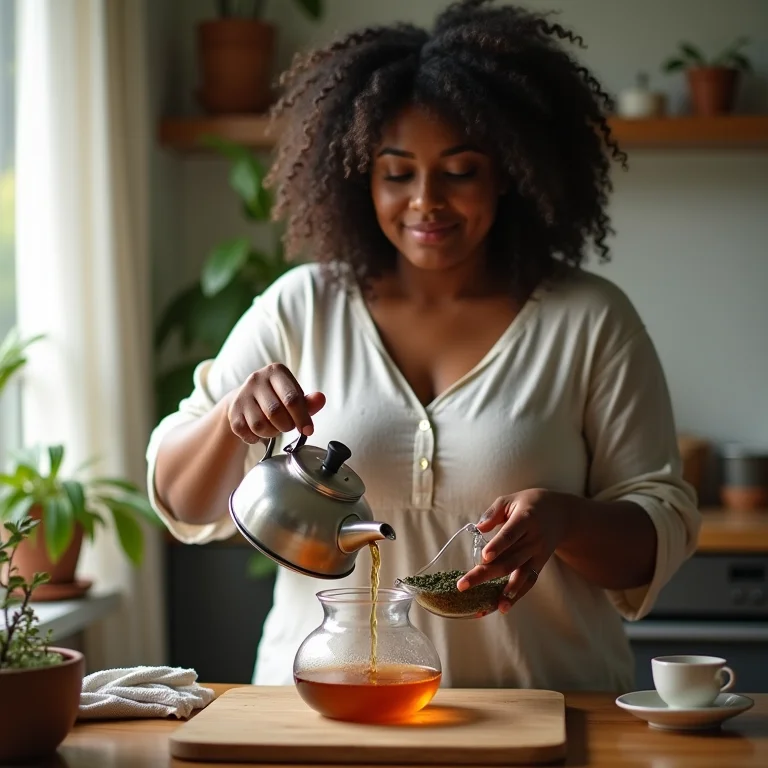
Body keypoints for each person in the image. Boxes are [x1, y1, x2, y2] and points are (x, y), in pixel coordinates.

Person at [147, 0, 700, 691]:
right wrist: (232, 417)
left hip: (541, 715)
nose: (426, 201)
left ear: (511, 172)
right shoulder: (301, 306)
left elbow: (658, 533)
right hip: (322, 717)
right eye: (397, 171)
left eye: (460, 171)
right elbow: (180, 501)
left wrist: (564, 520)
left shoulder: (590, 320)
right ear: (359, 175)